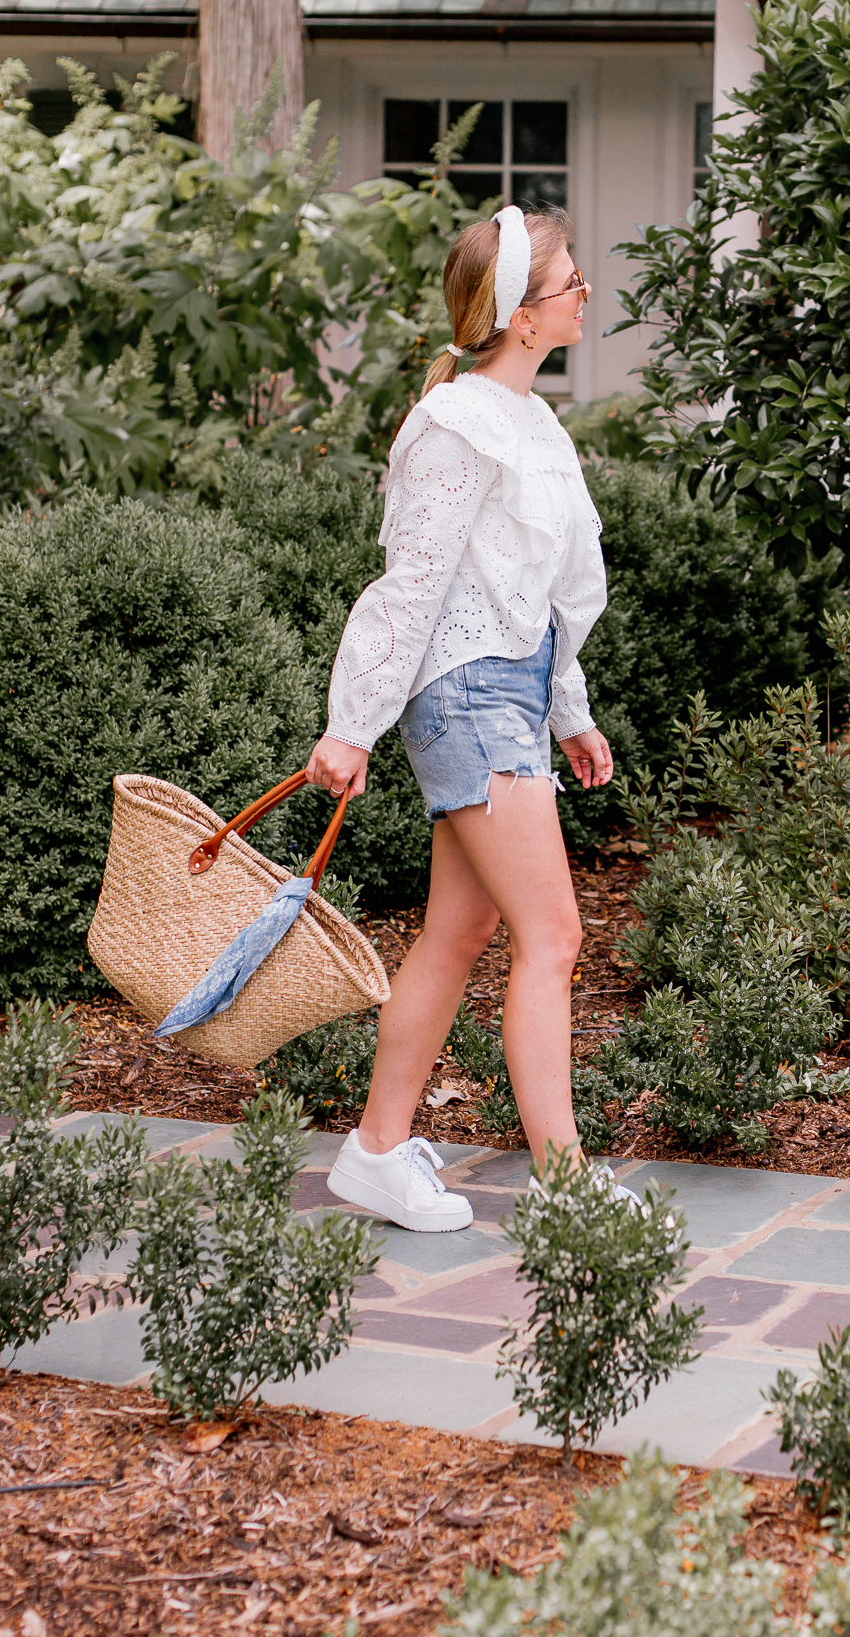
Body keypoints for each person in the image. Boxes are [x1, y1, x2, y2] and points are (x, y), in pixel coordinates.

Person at [304, 204, 617, 1233]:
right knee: (554, 933)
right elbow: (414, 584)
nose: (583, 291)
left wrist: (565, 706)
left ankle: (377, 1151)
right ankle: (567, 1188)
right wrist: (351, 725)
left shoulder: (532, 421)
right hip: (466, 691)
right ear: (522, 316)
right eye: (569, 280)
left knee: (461, 929)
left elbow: (544, 591)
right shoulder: (454, 422)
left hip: (512, 691)